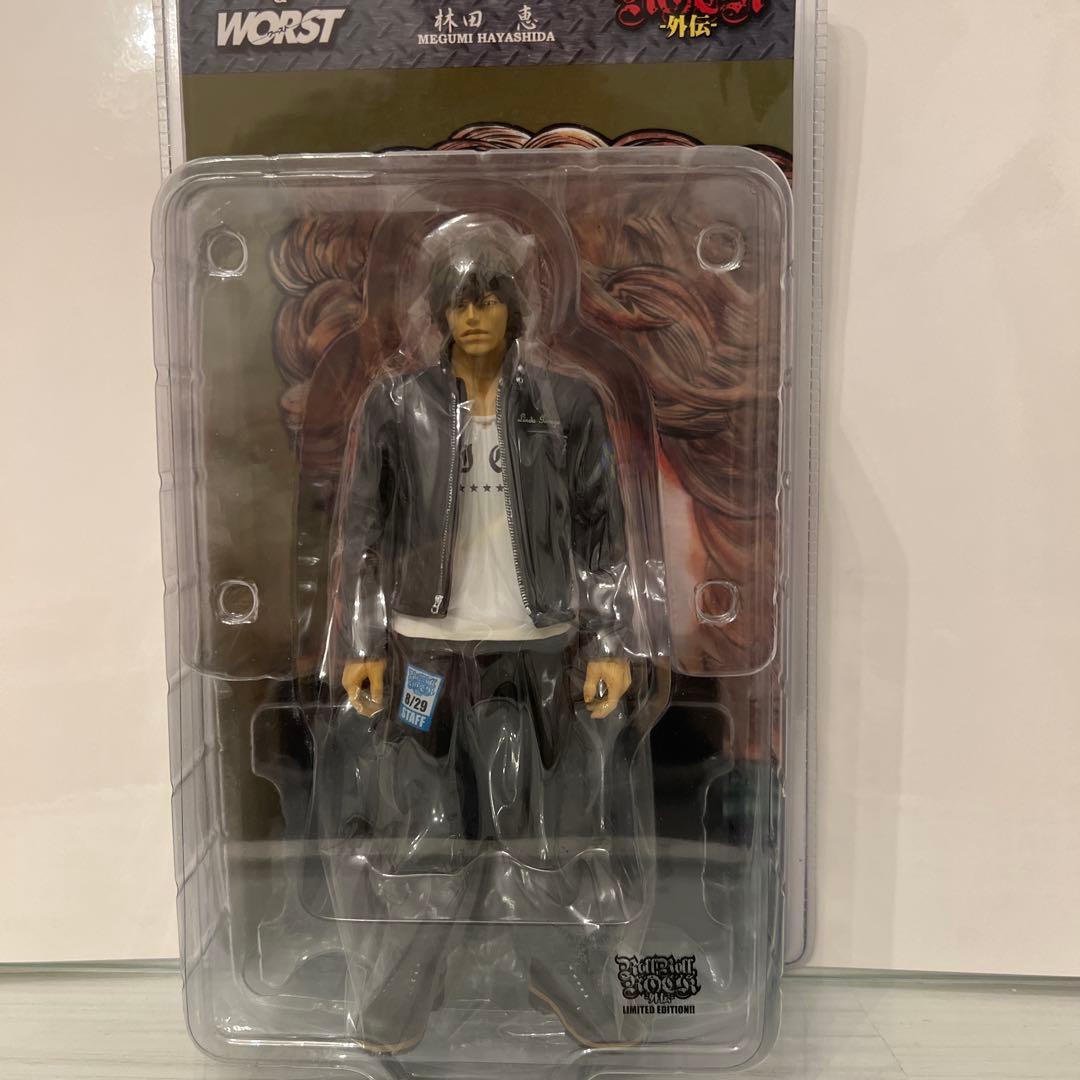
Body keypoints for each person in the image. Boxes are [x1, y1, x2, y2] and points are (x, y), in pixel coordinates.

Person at [323, 231, 645, 1053]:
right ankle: (411, 972)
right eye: (460, 301)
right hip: (425, 652)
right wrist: (361, 639)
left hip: (535, 648)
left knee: (544, 822)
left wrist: (611, 639)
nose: (474, 316)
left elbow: (602, 529)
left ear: (514, 307)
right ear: (437, 311)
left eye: (489, 298)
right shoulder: (398, 404)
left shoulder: (566, 404)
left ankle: (556, 963)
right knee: (424, 820)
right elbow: (361, 529)